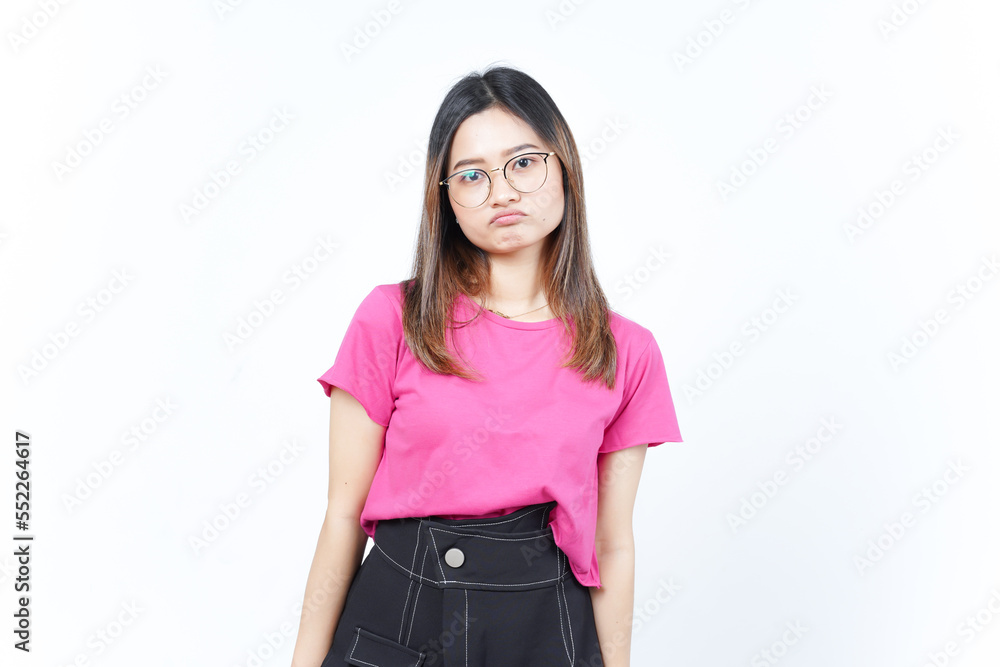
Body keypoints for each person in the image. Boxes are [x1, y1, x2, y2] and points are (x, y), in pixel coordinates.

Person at [291, 64, 682, 667]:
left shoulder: (625, 351)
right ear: (445, 198)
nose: (501, 192)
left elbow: (612, 545)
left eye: (523, 163)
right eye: (472, 175)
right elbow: (342, 515)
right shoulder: (392, 319)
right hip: (399, 623)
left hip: (547, 630)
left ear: (565, 166)